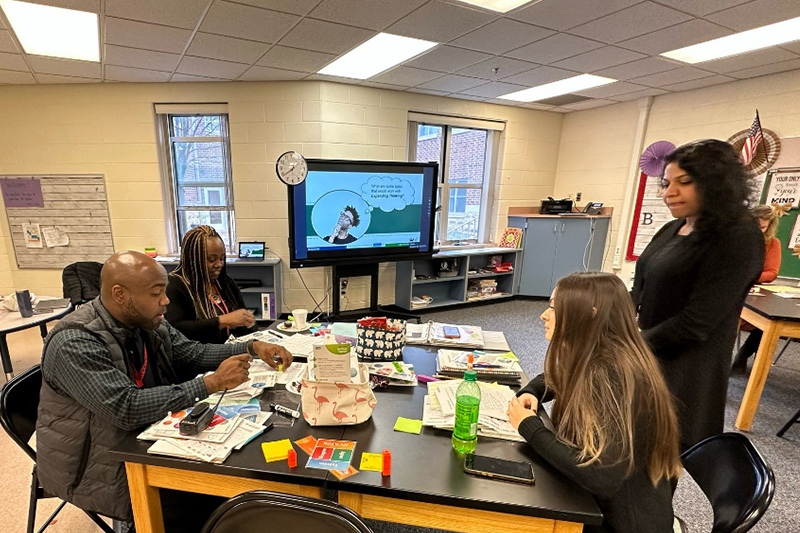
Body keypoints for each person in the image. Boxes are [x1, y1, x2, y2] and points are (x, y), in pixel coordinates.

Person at [36, 251, 293, 531]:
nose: (166, 301)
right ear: (120, 294)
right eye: (156, 293)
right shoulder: (75, 341)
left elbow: (191, 353)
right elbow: (126, 408)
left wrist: (252, 347)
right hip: (101, 466)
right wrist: (212, 383)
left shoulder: (146, 320)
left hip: (146, 437)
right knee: (227, 501)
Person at [508, 272, 682, 533]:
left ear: (589, 314)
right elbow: (558, 375)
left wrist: (530, 427)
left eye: (555, 308)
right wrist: (534, 390)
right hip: (601, 506)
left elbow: (600, 476)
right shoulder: (604, 352)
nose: (544, 315)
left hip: (618, 522)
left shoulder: (612, 374)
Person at [631, 139, 764, 452]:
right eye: (665, 183)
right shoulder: (674, 227)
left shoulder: (738, 237)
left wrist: (630, 346)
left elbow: (695, 324)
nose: (669, 193)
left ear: (716, 184)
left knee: (655, 462)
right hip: (647, 354)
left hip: (684, 372)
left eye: (684, 182)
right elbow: (642, 286)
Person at [166, 225, 257, 343]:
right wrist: (222, 321)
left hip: (233, 348)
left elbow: (246, 322)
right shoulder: (175, 285)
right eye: (211, 259)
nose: (219, 264)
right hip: (201, 355)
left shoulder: (225, 282)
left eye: (222, 258)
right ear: (193, 259)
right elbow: (177, 329)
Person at [732, 204, 782, 372]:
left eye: (761, 227)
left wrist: (750, 276)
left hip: (754, 291)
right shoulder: (735, 239)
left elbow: (772, 273)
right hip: (731, 289)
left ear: (769, 227)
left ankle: (743, 356)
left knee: (770, 321)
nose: (756, 230)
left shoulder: (772, 244)